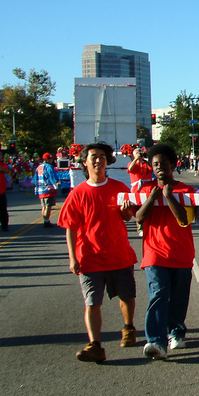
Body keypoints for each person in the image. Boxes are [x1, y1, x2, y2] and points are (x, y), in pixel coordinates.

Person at [57, 143, 139, 363]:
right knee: (92, 302)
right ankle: (95, 345)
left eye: (102, 157)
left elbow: (128, 217)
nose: (98, 160)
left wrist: (125, 211)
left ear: (107, 161)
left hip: (118, 253)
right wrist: (72, 258)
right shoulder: (77, 194)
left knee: (127, 296)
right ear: (85, 162)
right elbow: (70, 228)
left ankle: (128, 327)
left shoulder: (119, 188)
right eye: (93, 157)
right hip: (90, 258)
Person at [132, 144, 195, 360]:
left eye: (164, 164)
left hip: (181, 254)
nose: (159, 168)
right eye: (155, 165)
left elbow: (184, 219)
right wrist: (152, 198)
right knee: (158, 295)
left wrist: (169, 197)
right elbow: (139, 218)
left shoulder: (185, 190)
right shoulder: (144, 190)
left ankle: (176, 331)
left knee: (178, 298)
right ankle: (156, 341)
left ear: (173, 164)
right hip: (154, 254)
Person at [34, 153, 59, 227]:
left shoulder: (39, 167)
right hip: (49, 189)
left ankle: (45, 219)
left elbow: (35, 178)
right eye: (51, 159)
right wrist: (55, 186)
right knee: (48, 206)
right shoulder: (49, 167)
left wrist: (36, 187)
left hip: (41, 189)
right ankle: (46, 221)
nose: (52, 160)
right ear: (46, 159)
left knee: (44, 206)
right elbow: (52, 177)